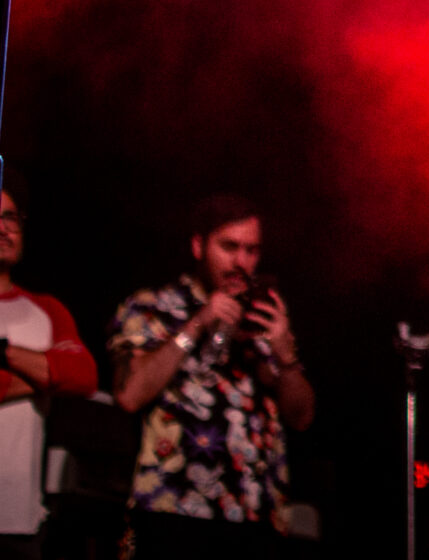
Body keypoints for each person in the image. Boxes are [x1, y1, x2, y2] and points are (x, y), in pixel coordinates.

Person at [108, 195, 314, 560]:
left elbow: (301, 418)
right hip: (174, 511)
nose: (241, 262)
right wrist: (199, 323)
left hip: (256, 516)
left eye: (251, 250)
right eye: (229, 247)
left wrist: (286, 357)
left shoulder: (264, 319)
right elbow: (129, 394)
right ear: (198, 246)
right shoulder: (153, 307)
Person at [0, 176, 100, 560]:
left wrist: (5, 353)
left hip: (18, 522)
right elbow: (62, 375)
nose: (3, 229)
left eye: (10, 218)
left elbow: (84, 376)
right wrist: (44, 376)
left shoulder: (46, 310)